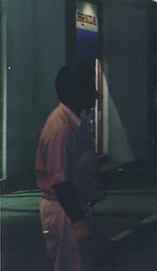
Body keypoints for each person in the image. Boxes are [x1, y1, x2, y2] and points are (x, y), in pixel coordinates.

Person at [35, 63, 104, 271]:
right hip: (64, 213)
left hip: (71, 210)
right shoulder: (61, 128)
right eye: (90, 87)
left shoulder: (73, 122)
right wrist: (78, 222)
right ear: (75, 93)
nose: (96, 92)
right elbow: (61, 182)